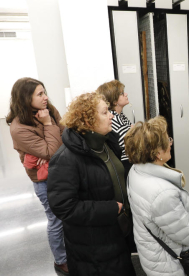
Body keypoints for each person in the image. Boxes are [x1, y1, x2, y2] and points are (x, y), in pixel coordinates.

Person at [47, 92, 135, 276]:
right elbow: (64, 207)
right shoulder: (66, 159)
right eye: (105, 113)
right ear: (88, 121)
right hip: (93, 246)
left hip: (117, 232)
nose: (111, 115)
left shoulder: (107, 143)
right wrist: (111, 209)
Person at [124, 116, 189, 276]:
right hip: (169, 266)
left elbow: (159, 215)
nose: (171, 143)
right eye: (167, 140)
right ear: (157, 153)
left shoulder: (135, 170)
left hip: (152, 253)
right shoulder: (162, 193)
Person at [6, 77, 68, 275]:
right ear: (26, 98)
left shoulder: (47, 107)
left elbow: (65, 135)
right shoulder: (19, 128)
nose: (46, 97)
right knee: (56, 220)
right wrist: (49, 124)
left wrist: (51, 146)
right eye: (40, 94)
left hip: (63, 171)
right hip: (45, 180)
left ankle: (71, 251)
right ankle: (61, 260)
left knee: (68, 214)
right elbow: (52, 151)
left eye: (44, 92)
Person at [97, 80, 132, 179]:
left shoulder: (120, 116)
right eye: (122, 93)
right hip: (127, 168)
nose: (126, 94)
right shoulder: (115, 119)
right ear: (114, 101)